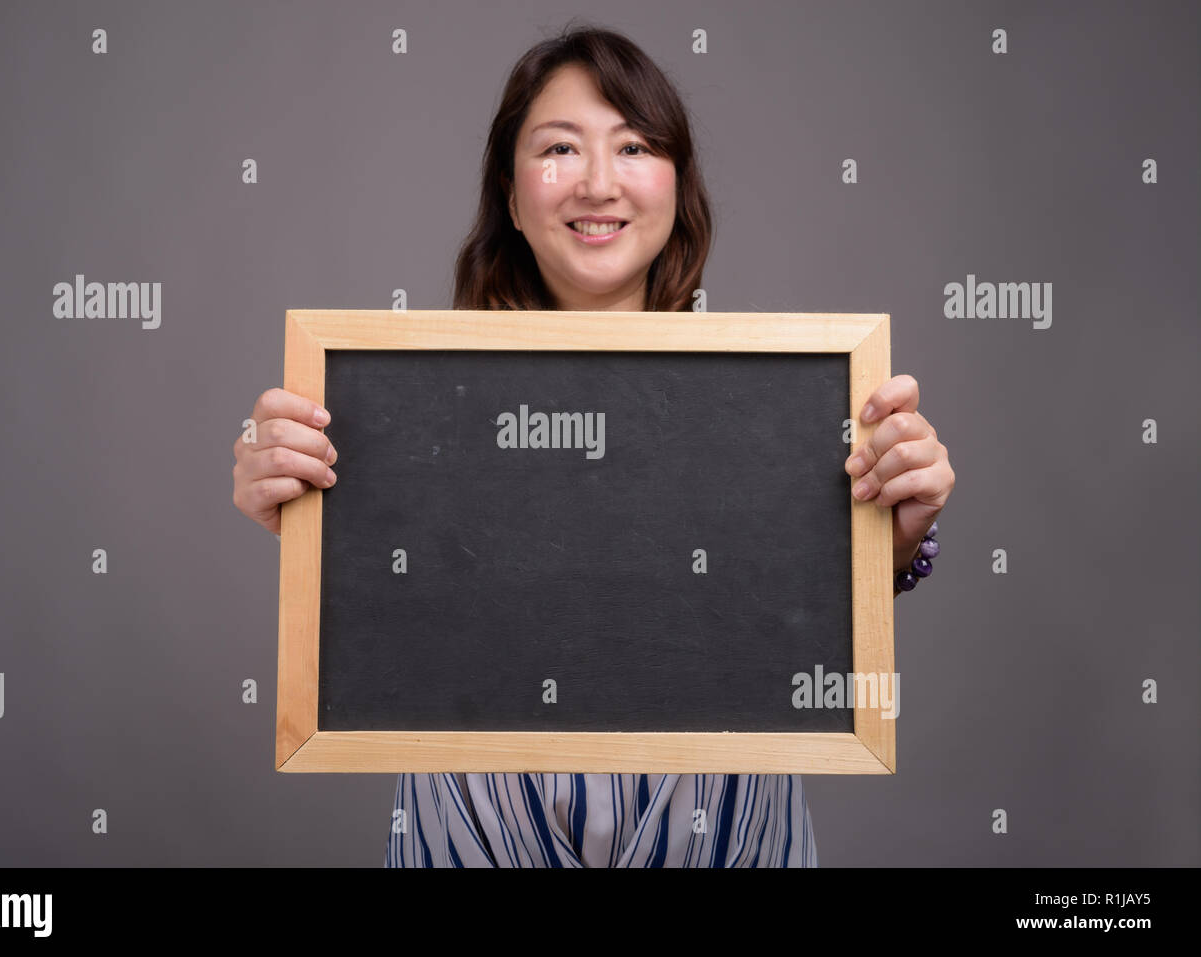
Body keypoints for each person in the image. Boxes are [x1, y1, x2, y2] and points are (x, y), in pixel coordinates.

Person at [231, 23, 955, 867]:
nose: (600, 182)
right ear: (511, 194)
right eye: (561, 148)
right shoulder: (399, 412)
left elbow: (792, 610)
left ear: (677, 184)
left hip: (720, 828)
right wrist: (302, 503)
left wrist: (887, 538)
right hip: (481, 828)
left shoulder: (783, 407)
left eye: (636, 146)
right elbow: (379, 588)